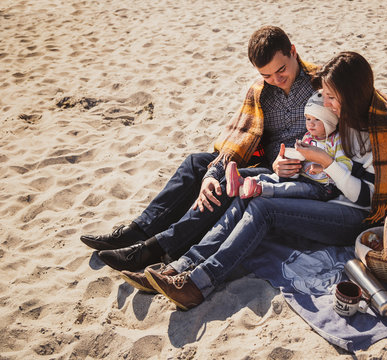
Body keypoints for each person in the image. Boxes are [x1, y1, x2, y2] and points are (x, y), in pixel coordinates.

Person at [121, 51, 387, 310]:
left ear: (351, 95)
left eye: (333, 98)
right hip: (319, 192)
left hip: (353, 217)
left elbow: (365, 200)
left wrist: (324, 162)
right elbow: (316, 157)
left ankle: (198, 284)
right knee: (244, 189)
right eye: (326, 95)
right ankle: (181, 265)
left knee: (263, 208)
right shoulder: (340, 118)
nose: (327, 104)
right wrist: (292, 163)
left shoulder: (380, 132)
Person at [80, 25, 317, 272]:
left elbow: (339, 143)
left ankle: (154, 248)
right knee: (196, 163)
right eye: (266, 75)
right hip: (262, 161)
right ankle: (137, 231)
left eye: (281, 70)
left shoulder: (320, 84)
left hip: (295, 171)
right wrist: (209, 176)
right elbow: (240, 136)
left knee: (228, 181)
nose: (276, 80)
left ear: (292, 51)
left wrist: (294, 162)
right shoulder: (260, 91)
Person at [225, 90, 361, 202]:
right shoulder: (308, 137)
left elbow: (346, 165)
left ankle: (259, 188)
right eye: (308, 119)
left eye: (317, 119)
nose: (310, 124)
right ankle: (243, 182)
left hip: (323, 188)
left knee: (292, 188)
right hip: (303, 177)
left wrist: (322, 167)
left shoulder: (336, 141)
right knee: (275, 177)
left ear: (329, 122)